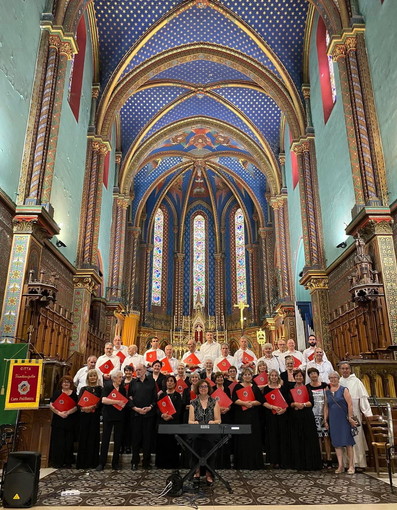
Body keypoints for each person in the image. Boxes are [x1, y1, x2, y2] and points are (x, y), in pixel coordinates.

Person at [339, 362, 373, 469]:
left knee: (356, 437)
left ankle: (359, 463)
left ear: (350, 370)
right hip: (342, 414)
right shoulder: (338, 381)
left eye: (347, 368)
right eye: (343, 368)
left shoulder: (356, 381)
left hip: (355, 413)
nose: (345, 370)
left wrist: (367, 413)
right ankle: (347, 463)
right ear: (340, 370)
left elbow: (362, 398)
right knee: (345, 437)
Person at [188, 378, 221, 485]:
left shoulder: (214, 402)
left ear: (209, 388)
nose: (203, 388)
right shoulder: (193, 403)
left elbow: (219, 420)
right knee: (194, 442)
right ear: (198, 388)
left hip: (210, 431)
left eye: (205, 386)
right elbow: (190, 421)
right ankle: (196, 472)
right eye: (201, 386)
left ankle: (209, 474)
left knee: (211, 444)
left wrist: (213, 422)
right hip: (197, 431)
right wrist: (195, 423)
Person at [289, 369, 322, 471]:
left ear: (303, 377)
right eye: (297, 376)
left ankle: (310, 463)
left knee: (308, 439)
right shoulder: (290, 388)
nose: (299, 378)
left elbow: (311, 402)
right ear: (294, 377)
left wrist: (302, 405)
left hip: (307, 416)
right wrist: (294, 404)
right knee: (297, 439)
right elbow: (289, 403)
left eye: (300, 376)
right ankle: (299, 463)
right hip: (295, 417)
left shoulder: (307, 388)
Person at [324, 371, 356, 474]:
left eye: (335, 377)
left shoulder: (344, 389)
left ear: (338, 378)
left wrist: (350, 417)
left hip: (344, 419)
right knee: (337, 443)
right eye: (331, 378)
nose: (333, 380)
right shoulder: (327, 391)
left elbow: (350, 404)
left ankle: (351, 466)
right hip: (333, 420)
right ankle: (340, 465)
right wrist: (325, 420)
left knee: (348, 442)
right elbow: (326, 406)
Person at [232, 368, 264, 469]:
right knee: (242, 437)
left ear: (252, 376)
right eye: (245, 375)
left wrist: (251, 403)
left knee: (253, 437)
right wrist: (244, 403)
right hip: (241, 416)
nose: (247, 376)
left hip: (253, 416)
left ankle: (254, 463)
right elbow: (234, 399)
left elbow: (260, 401)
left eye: (249, 374)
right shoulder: (237, 386)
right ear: (242, 376)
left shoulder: (255, 387)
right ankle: (242, 463)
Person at [128, 363, 158, 470]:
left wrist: (150, 407)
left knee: (147, 439)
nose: (138, 372)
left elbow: (155, 398)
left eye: (140, 369)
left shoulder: (151, 381)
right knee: (135, 439)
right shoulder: (133, 382)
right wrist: (135, 408)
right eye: (137, 370)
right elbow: (129, 398)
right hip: (136, 414)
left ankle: (146, 462)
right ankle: (134, 462)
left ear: (145, 370)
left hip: (148, 415)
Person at [96, 370, 127, 471]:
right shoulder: (108, 387)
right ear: (114, 378)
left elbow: (124, 401)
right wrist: (117, 401)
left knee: (118, 440)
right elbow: (104, 400)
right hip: (108, 416)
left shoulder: (122, 389)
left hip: (119, 416)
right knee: (105, 439)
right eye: (119, 377)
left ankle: (115, 463)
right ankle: (102, 463)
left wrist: (120, 403)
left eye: (121, 377)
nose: (121, 379)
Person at [262, 369, 290, 468]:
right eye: (272, 375)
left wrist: (284, 410)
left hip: (282, 416)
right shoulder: (266, 389)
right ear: (269, 377)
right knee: (272, 437)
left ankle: (283, 460)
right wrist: (273, 407)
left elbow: (288, 401)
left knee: (282, 437)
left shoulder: (283, 388)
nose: (274, 377)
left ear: (278, 377)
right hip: (271, 416)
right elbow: (263, 402)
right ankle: (273, 460)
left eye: (275, 375)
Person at [49, 375, 78, 468]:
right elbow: (51, 405)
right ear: (61, 384)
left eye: (68, 382)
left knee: (68, 442)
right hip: (58, 420)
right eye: (64, 382)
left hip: (69, 421)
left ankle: (68, 462)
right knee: (58, 442)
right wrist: (59, 413)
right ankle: (58, 462)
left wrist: (68, 413)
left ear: (71, 384)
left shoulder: (74, 394)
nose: (66, 384)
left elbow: (76, 407)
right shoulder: (57, 393)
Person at [306, 367, 332, 468]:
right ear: (309, 376)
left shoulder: (324, 385)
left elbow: (327, 401)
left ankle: (329, 458)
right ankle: (320, 458)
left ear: (318, 374)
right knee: (317, 437)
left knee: (326, 437)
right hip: (313, 414)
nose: (313, 375)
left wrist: (325, 417)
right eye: (311, 374)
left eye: (315, 373)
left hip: (323, 413)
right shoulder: (307, 387)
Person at [76, 369, 102, 469]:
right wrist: (83, 408)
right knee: (83, 438)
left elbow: (100, 402)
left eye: (94, 376)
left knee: (93, 438)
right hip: (84, 416)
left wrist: (93, 407)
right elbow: (79, 402)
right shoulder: (83, 389)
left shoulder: (100, 389)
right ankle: (82, 462)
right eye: (90, 376)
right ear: (88, 378)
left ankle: (92, 462)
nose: (92, 378)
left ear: (97, 377)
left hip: (94, 416)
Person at [155, 375, 182, 468]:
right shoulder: (162, 395)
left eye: (171, 381)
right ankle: (161, 464)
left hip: (173, 422)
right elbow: (157, 408)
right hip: (163, 422)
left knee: (172, 444)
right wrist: (162, 415)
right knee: (162, 443)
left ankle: (173, 464)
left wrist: (171, 416)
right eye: (168, 381)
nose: (169, 383)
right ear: (165, 383)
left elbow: (179, 409)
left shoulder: (178, 395)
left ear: (175, 383)